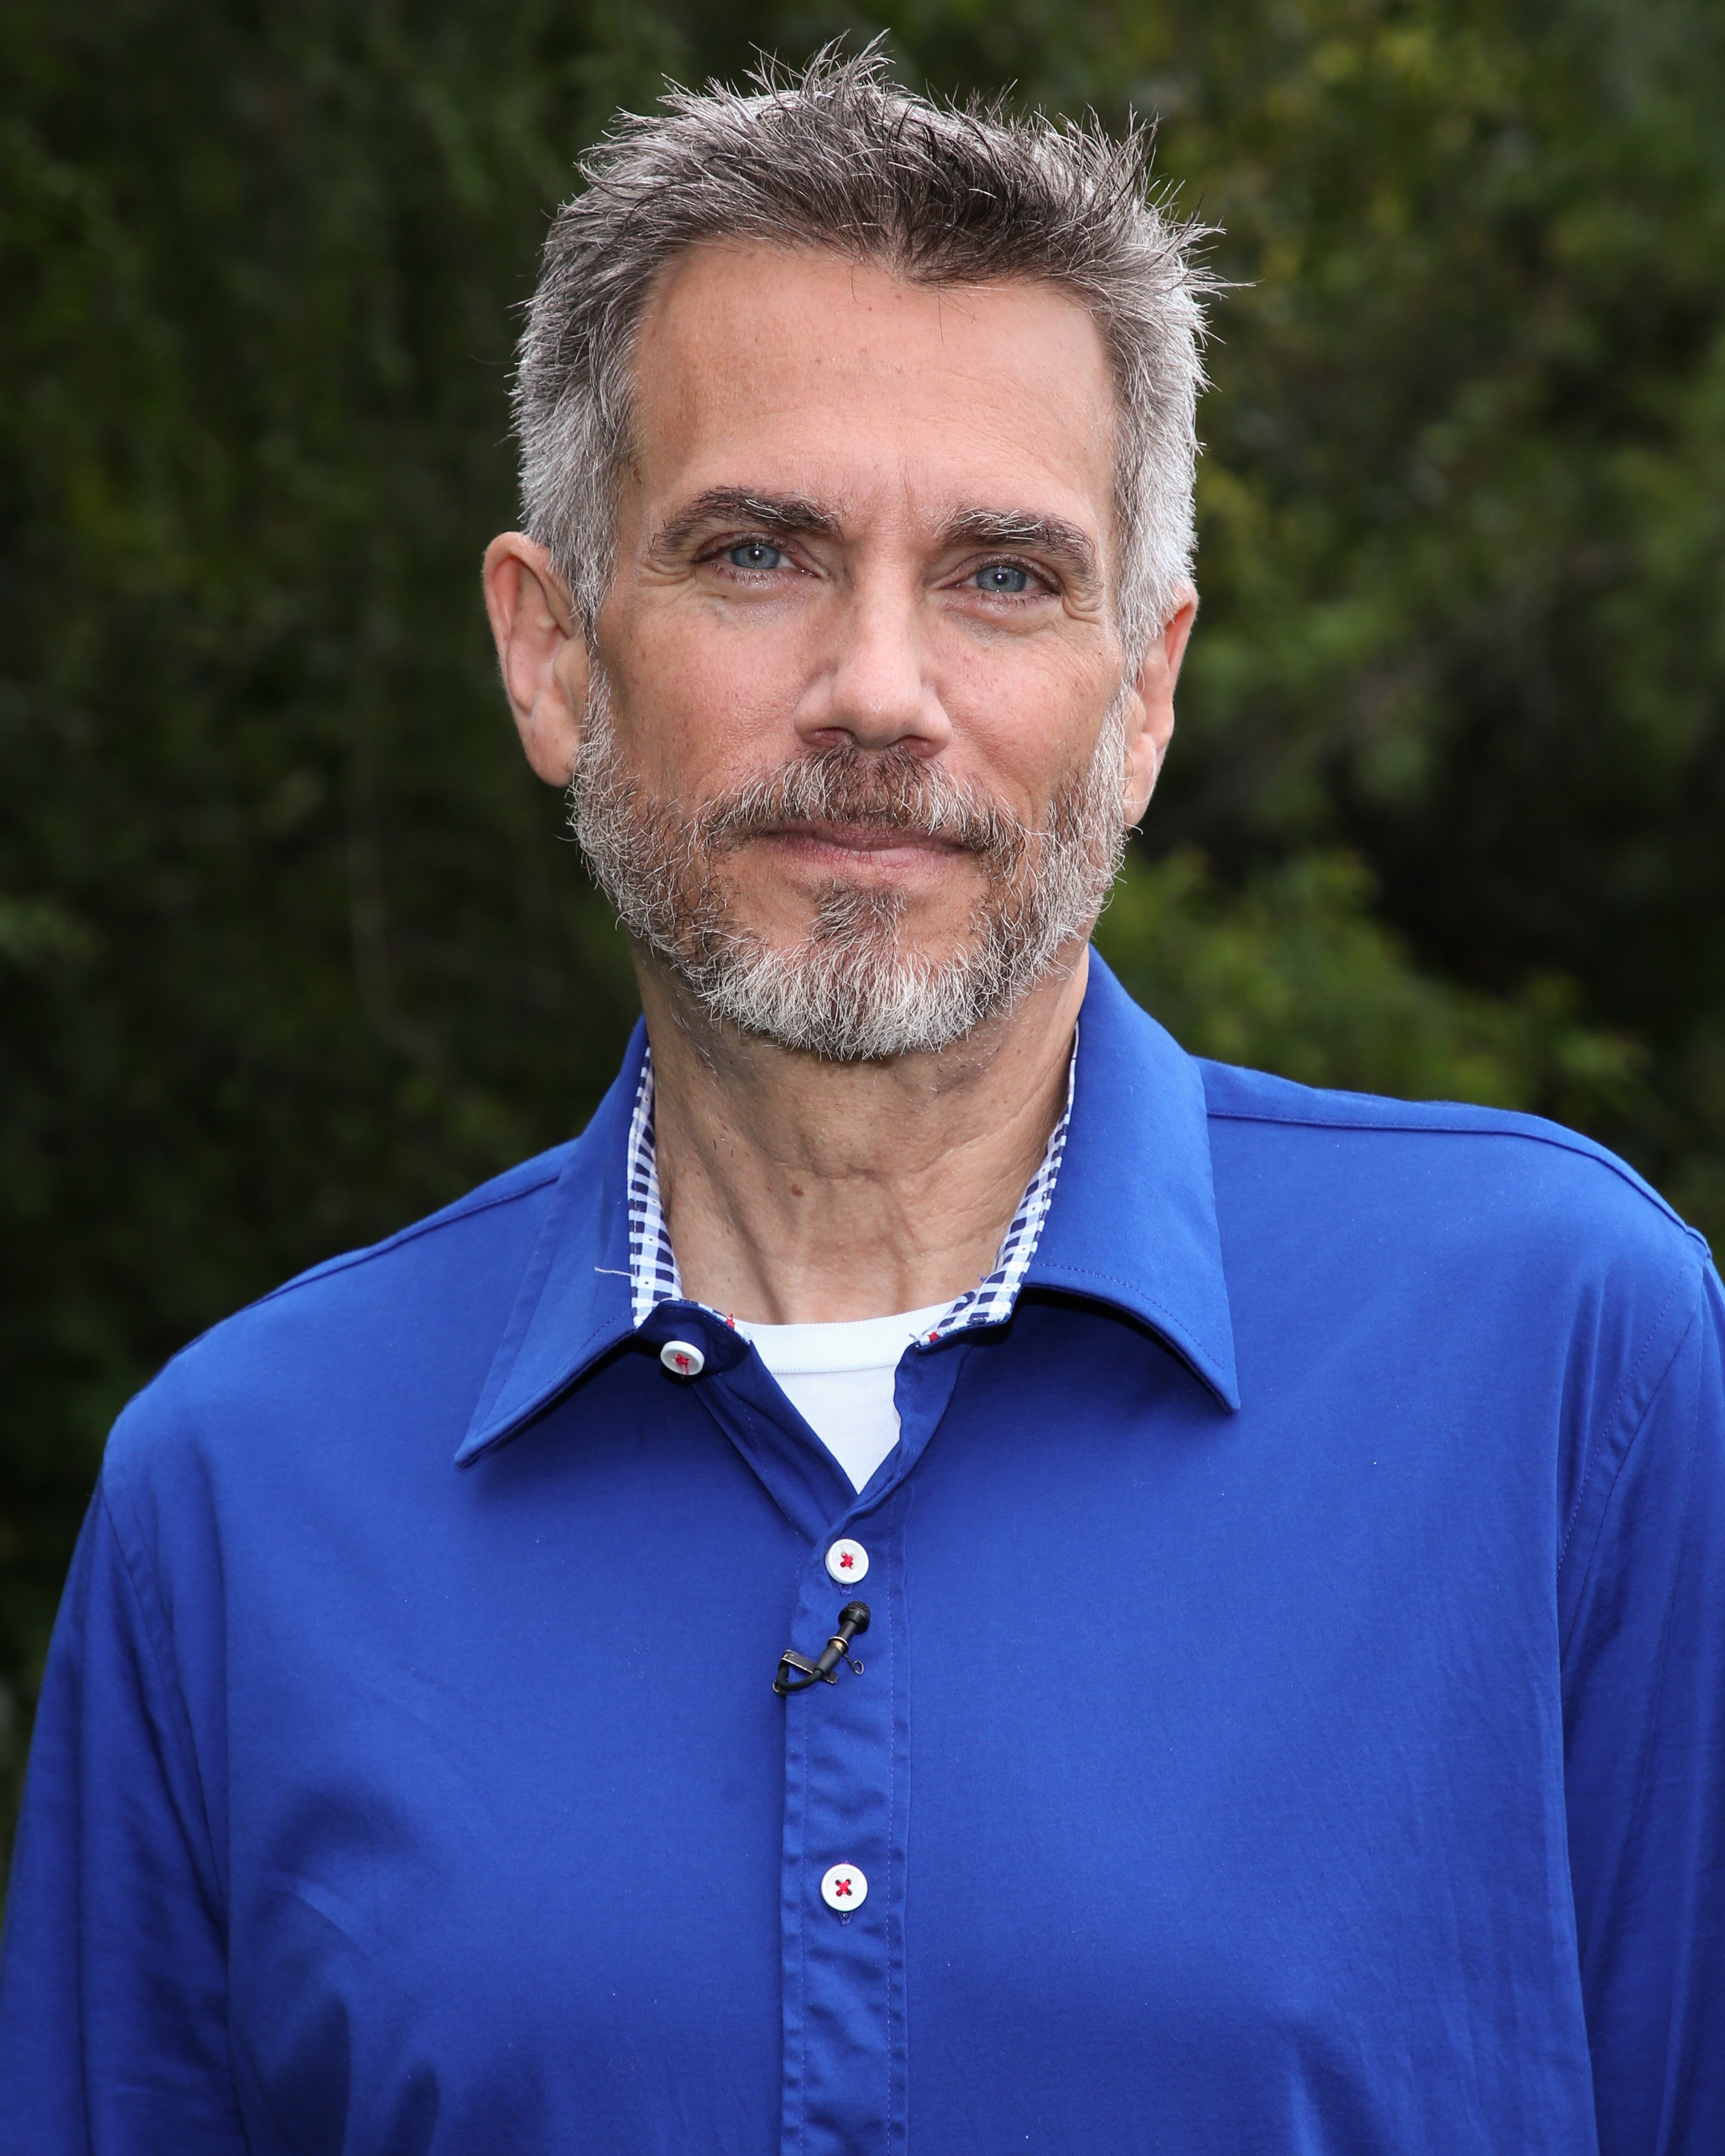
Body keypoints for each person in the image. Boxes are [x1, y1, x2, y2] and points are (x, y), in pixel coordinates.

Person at [1, 50, 1720, 2156]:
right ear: (551, 655)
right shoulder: (237, 1502)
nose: (880, 695)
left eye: (1001, 574)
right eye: (758, 552)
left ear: (1146, 689)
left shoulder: (1562, 1369)